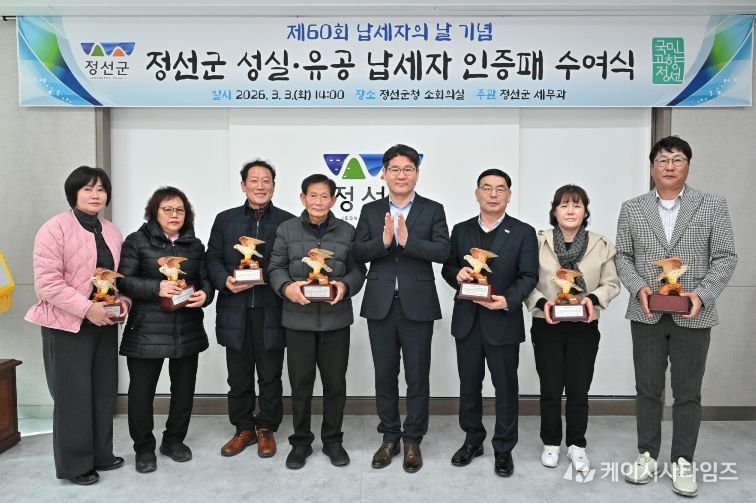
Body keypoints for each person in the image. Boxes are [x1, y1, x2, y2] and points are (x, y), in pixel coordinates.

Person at [615, 136, 737, 497]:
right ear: (652, 167)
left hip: (694, 315)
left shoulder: (712, 205)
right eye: (663, 160)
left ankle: (683, 460)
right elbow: (623, 256)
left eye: (678, 159)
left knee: (687, 393)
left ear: (688, 166)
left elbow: (726, 256)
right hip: (647, 312)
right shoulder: (632, 208)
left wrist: (701, 295)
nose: (670, 166)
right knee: (647, 389)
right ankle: (647, 455)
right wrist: (639, 288)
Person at [25, 166, 127, 485]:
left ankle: (101, 454)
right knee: (73, 395)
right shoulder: (54, 228)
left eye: (101, 189)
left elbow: (117, 279)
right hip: (67, 324)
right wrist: (86, 309)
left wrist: (123, 303)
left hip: (104, 322)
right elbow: (47, 284)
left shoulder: (111, 231)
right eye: (88, 189)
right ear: (73, 193)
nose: (95, 195)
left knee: (103, 391)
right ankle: (76, 465)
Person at [352, 144, 450, 473]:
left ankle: (413, 440)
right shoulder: (370, 211)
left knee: (417, 376)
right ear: (384, 174)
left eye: (408, 169)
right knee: (385, 375)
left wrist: (409, 242)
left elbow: (444, 251)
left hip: (418, 305)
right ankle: (390, 437)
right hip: (380, 304)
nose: (401, 175)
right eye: (394, 169)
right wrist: (383, 243)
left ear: (417, 174)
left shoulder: (433, 209)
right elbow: (357, 252)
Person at [441, 168, 538, 477]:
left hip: (503, 321)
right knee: (469, 384)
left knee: (505, 387)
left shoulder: (523, 232)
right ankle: (473, 439)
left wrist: (507, 300)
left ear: (509, 195)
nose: (493, 194)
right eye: (487, 188)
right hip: (467, 322)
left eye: (500, 189)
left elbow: (529, 276)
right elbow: (448, 267)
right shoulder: (461, 230)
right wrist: (456, 274)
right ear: (477, 193)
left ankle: (504, 448)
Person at [268, 174, 366, 469]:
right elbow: (275, 267)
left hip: (336, 321)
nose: (319, 201)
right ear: (303, 198)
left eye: (325, 196)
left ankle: (333, 440)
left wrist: (344, 286)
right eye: (313, 195)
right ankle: (301, 442)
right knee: (300, 386)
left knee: (335, 384)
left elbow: (358, 270)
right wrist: (287, 288)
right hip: (298, 321)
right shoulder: (286, 230)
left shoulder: (347, 231)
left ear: (334, 200)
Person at [117, 186, 214, 473]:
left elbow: (205, 280)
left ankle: (174, 441)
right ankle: (144, 448)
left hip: (187, 329)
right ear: (154, 212)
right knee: (141, 394)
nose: (174, 215)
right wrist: (156, 287)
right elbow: (123, 280)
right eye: (167, 209)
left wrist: (205, 295)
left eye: (180, 210)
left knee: (183, 391)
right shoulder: (136, 241)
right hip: (146, 330)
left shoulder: (195, 245)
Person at [524, 184, 620, 474]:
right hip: (547, 323)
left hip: (584, 325)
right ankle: (551, 442)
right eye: (563, 205)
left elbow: (611, 283)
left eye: (576, 205)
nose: (570, 210)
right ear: (554, 211)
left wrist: (592, 300)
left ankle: (577, 444)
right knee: (550, 388)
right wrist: (543, 303)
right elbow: (526, 280)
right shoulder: (538, 242)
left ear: (585, 211)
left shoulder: (600, 244)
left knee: (579, 388)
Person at [206, 160, 295, 459]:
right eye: (254, 180)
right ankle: (243, 428)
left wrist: (268, 276)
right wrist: (225, 280)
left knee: (270, 375)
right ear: (243, 185)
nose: (260, 186)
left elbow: (290, 264)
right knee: (238, 375)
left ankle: (266, 427)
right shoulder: (225, 220)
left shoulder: (287, 222)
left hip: (272, 310)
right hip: (235, 310)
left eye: (266, 180)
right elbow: (212, 259)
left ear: (274, 186)